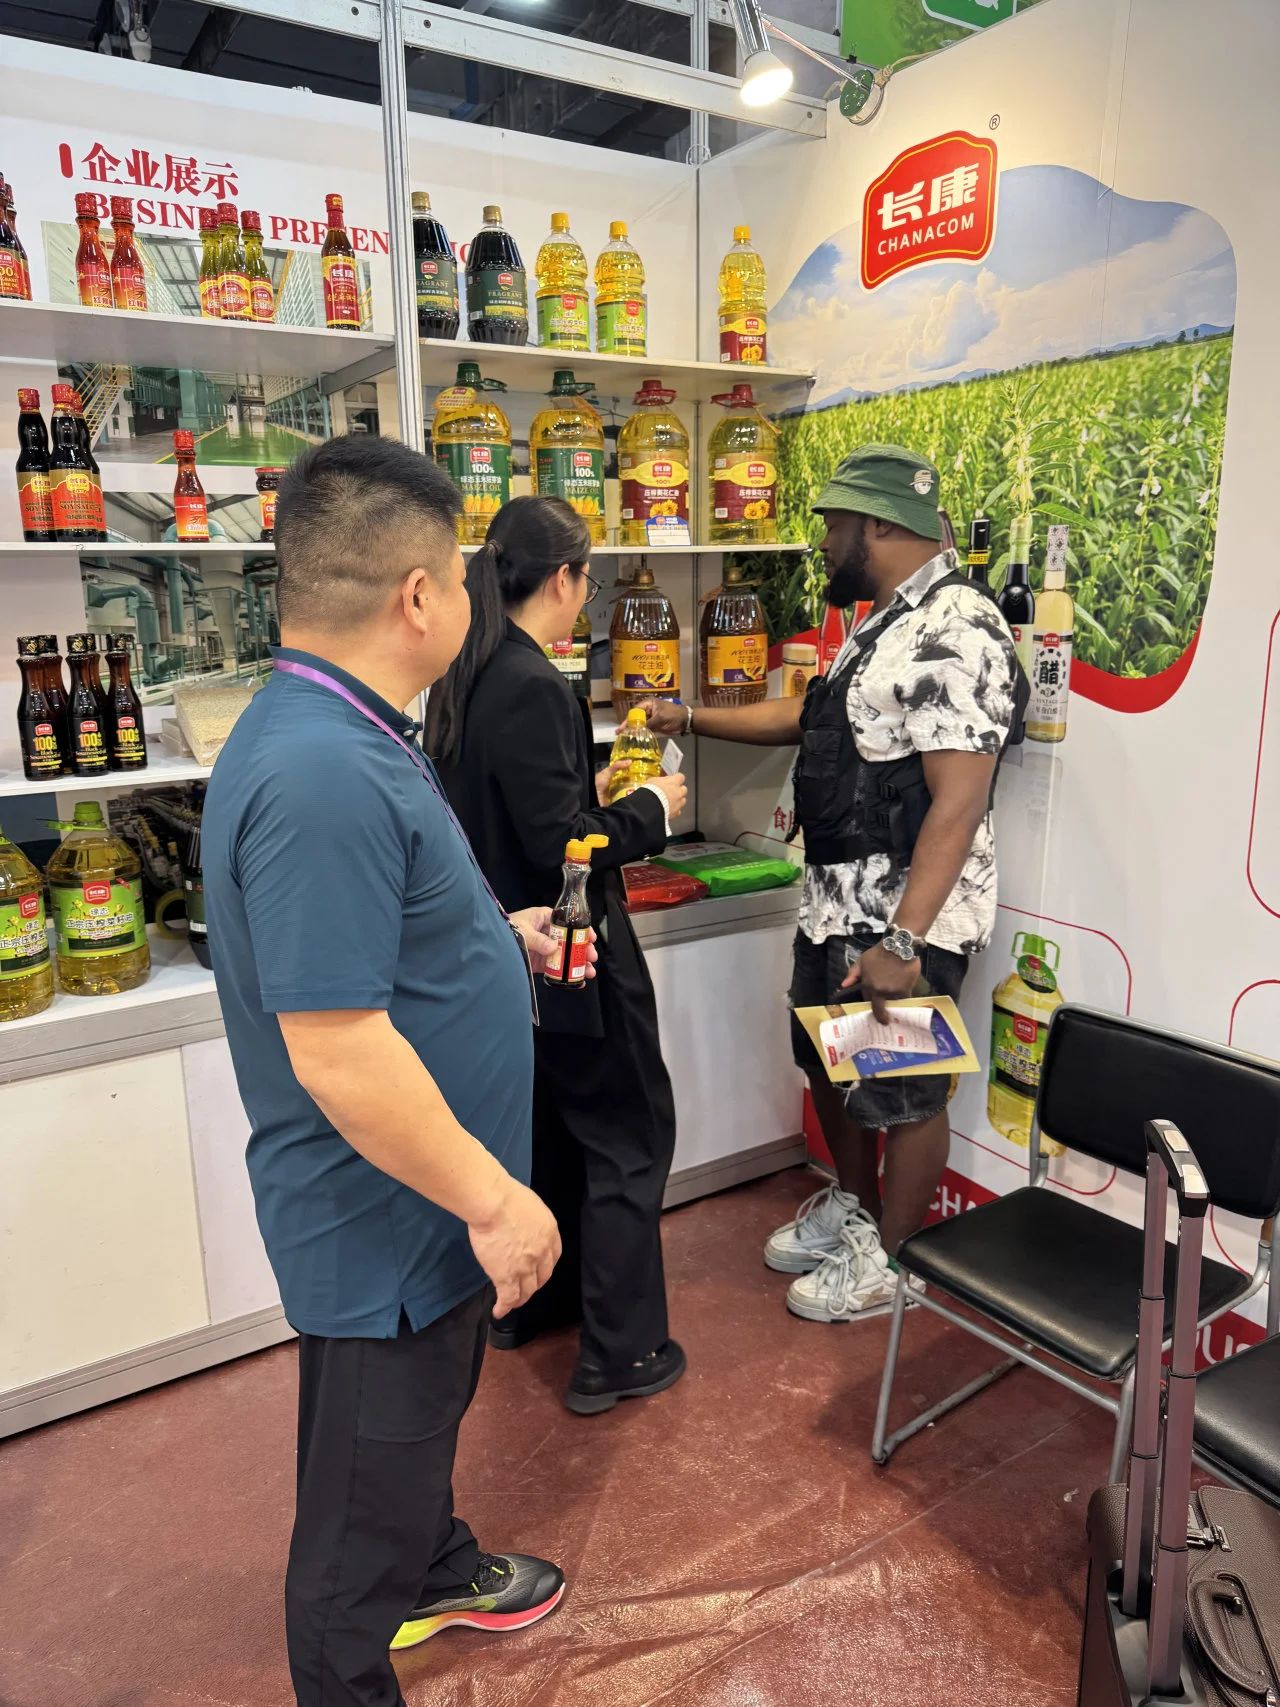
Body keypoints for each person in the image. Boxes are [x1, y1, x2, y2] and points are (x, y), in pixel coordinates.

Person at [203, 436, 589, 1707]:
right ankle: (364, 1641)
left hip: (419, 1214)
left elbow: (380, 941)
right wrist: (494, 1201)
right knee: (349, 1543)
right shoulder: (319, 768)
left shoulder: (349, 728)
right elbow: (337, 1048)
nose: (472, 597)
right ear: (418, 597)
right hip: (387, 1223)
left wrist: (495, 937)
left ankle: (432, 1564)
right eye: (463, 577)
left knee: (407, 1452)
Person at [644, 444, 1022, 1324]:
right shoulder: (883, 620)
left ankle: (894, 1260)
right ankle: (856, 1212)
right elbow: (816, 717)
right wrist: (690, 715)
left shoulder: (958, 629)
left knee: (903, 1086)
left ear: (878, 524)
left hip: (903, 916)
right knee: (828, 1062)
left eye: (832, 525)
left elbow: (959, 800)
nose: (822, 543)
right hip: (835, 902)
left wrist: (904, 940)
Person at [428, 495, 688, 1415]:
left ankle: (539, 1305)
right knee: (628, 1138)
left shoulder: (467, 670)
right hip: (572, 950)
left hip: (511, 955)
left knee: (553, 1134)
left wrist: (596, 791)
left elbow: (519, 815)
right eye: (588, 580)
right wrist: (649, 810)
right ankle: (622, 1352)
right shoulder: (534, 681)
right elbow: (563, 845)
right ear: (566, 579)